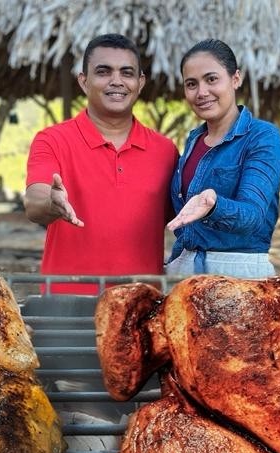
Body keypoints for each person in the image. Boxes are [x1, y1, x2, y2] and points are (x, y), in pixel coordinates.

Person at [25, 34, 178, 293]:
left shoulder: (166, 151)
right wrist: (52, 202)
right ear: (84, 81)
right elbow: (34, 202)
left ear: (140, 83)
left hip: (140, 307)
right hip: (66, 305)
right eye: (104, 72)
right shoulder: (52, 140)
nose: (116, 81)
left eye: (127, 73)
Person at [165, 39, 280, 278]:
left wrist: (214, 205)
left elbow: (252, 215)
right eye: (192, 84)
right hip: (185, 269)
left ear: (235, 79)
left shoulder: (263, 137)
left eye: (211, 79)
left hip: (238, 276)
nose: (201, 92)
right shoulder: (194, 140)